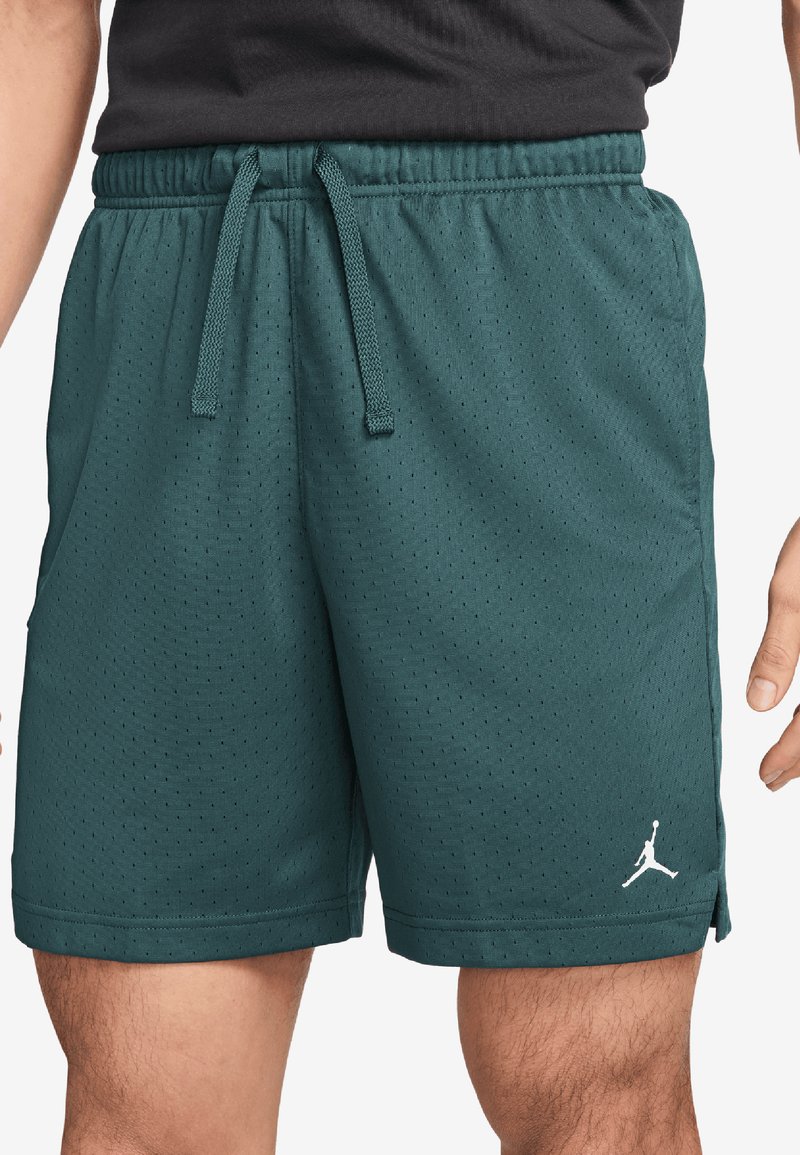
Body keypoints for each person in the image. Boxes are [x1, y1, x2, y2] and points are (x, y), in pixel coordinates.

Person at [0, 3, 796, 1153]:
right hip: (178, 277)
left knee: (592, 1085)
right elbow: (33, 16)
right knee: (144, 1091)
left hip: (527, 278)